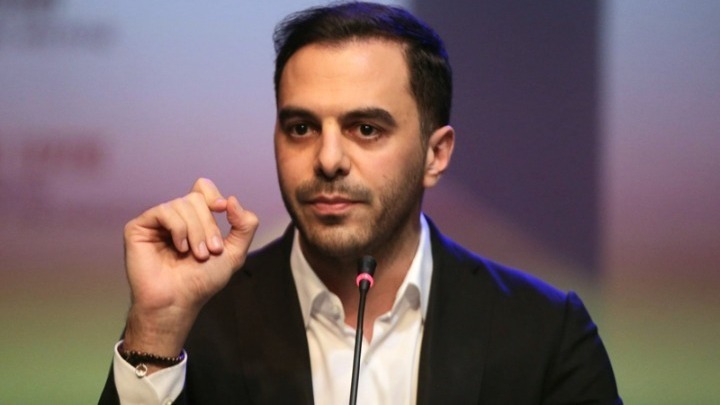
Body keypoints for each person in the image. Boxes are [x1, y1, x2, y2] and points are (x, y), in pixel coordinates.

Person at [100, 2, 621, 404]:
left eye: (366, 129)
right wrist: (158, 329)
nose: (328, 159)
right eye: (301, 128)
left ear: (436, 155)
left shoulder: (544, 334)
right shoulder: (196, 325)